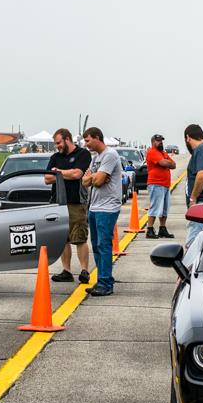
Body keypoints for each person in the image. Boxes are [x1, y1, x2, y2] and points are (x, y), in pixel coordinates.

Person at [45, 127, 92, 283]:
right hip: (58, 203)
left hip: (76, 203)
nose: (57, 146)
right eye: (55, 143)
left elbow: (78, 174)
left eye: (58, 143)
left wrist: (57, 172)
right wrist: (66, 173)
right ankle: (66, 271)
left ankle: (84, 270)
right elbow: (47, 179)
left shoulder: (82, 154)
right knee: (63, 239)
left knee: (79, 238)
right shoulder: (54, 157)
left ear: (67, 139)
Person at [80, 127, 122, 297]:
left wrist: (94, 177)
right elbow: (85, 181)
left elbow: (96, 181)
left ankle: (105, 283)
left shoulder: (110, 155)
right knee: (97, 246)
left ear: (97, 138)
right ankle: (102, 279)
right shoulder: (96, 158)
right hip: (95, 206)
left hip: (108, 207)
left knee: (104, 245)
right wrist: (94, 177)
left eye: (88, 140)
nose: (85, 144)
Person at [144, 133, 176, 239]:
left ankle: (162, 228)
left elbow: (173, 164)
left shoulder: (163, 152)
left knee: (165, 208)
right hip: (156, 184)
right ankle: (149, 229)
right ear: (153, 142)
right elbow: (163, 163)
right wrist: (166, 162)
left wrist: (167, 162)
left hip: (165, 184)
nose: (160, 142)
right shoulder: (152, 152)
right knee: (155, 207)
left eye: (161, 140)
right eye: (158, 141)